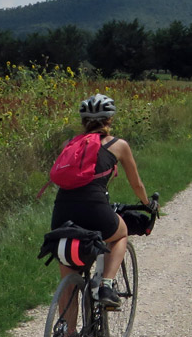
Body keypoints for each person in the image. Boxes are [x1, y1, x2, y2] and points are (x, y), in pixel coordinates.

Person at [51, 93, 157, 312]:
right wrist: (147, 203)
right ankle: (106, 286)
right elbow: (136, 184)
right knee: (120, 233)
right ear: (109, 119)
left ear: (83, 121)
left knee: (68, 277)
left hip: (62, 213)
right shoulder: (118, 145)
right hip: (96, 209)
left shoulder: (67, 144)